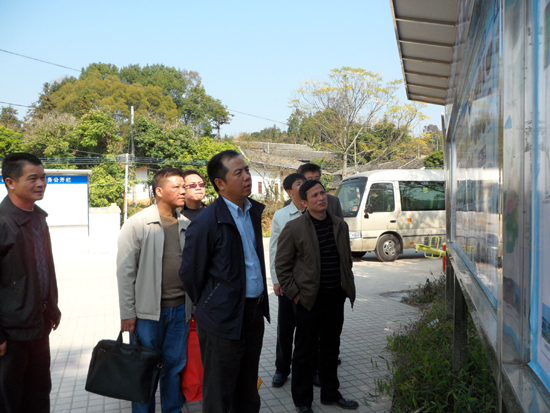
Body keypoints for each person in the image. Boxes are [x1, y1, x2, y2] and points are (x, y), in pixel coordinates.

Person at [180, 150, 270, 413]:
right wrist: (213, 303)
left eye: (247, 170)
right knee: (219, 393)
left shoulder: (252, 211)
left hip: (253, 312)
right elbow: (190, 274)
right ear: (220, 183)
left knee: (248, 388)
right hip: (222, 319)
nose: (247, 177)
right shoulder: (206, 222)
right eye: (238, 173)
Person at [276, 179, 358, 412]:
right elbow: (282, 266)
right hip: (308, 301)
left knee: (331, 349)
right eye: (314, 195)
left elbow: (346, 259)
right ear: (304, 202)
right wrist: (296, 295)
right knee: (304, 353)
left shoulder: (339, 225)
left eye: (322, 193)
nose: (321, 198)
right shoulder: (294, 228)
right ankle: (303, 402)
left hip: (335, 298)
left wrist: (345, 288)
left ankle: (330, 393)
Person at [117, 167, 191, 413]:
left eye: (184, 186)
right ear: (159, 191)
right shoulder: (138, 224)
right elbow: (125, 272)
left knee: (174, 369)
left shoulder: (187, 224)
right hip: (147, 314)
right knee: (144, 370)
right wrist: (128, 313)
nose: (183, 191)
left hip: (180, 311)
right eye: (176, 186)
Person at [0, 153, 62, 413]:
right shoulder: (3, 222)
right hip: (11, 335)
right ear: (10, 182)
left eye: (44, 177)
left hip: (38, 326)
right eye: (33, 178)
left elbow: (45, 267)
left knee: (38, 395)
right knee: (9, 401)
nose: (41, 183)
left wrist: (53, 307)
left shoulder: (38, 217)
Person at [269, 173, 307, 388]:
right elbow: (274, 249)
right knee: (285, 328)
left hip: (310, 283)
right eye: (299, 184)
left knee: (309, 329)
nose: (303, 186)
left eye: (304, 183)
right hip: (288, 282)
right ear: (289, 192)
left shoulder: (315, 211)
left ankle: (309, 369)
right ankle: (281, 369)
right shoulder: (281, 216)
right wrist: (276, 280)